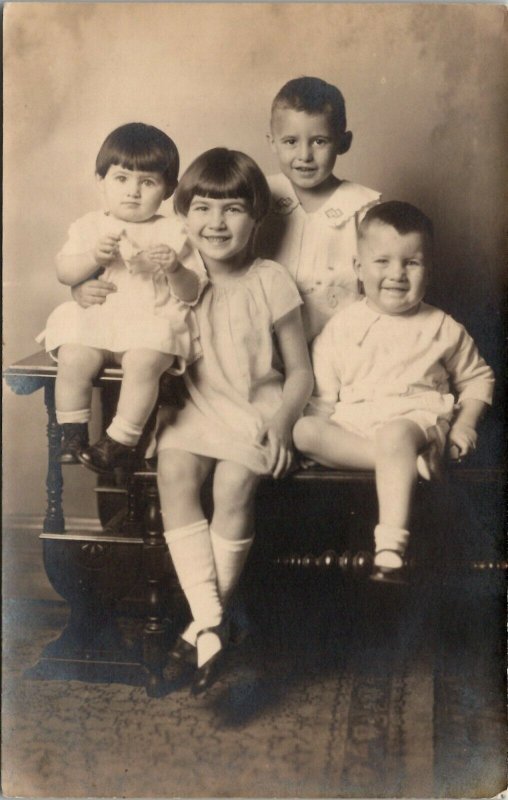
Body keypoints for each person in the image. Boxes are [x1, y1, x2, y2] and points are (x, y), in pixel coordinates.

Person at [154, 148, 313, 693]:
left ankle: (198, 630)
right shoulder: (177, 276)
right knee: (173, 471)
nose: (216, 223)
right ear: (183, 214)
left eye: (233, 210)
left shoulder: (271, 280)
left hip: (254, 408)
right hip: (195, 404)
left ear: (257, 217)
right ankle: (214, 624)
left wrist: (285, 421)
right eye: (202, 208)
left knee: (234, 481)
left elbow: (299, 372)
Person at [293, 201, 495, 583]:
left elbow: (478, 378)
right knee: (304, 431)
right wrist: (316, 441)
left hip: (415, 422)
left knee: (395, 435)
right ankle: (406, 464)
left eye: (411, 263)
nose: (396, 274)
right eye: (382, 261)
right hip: (356, 425)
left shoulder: (442, 327)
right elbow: (322, 401)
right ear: (358, 269)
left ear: (429, 270)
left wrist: (465, 424)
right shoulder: (340, 328)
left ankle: (389, 548)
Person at [37, 123, 204, 472]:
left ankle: (120, 440)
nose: (133, 192)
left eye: (148, 182)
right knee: (73, 353)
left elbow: (192, 293)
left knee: (145, 361)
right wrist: (92, 260)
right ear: (101, 181)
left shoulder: (174, 231)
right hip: (102, 316)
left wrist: (175, 268)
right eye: (121, 178)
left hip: (150, 319)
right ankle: (73, 432)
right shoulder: (90, 226)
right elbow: (64, 271)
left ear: (168, 189)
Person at [257, 76, 381, 342]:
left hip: (342, 349)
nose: (305, 155)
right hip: (267, 351)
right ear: (272, 142)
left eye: (319, 141)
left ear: (343, 142)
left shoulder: (363, 209)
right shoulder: (258, 195)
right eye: (291, 141)